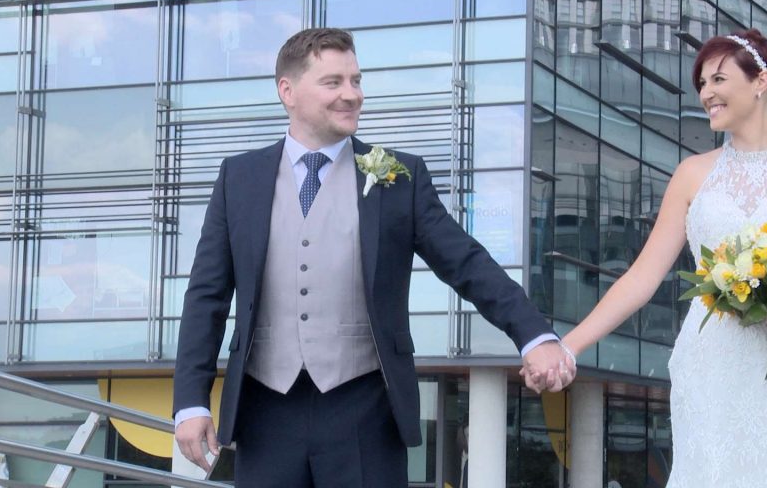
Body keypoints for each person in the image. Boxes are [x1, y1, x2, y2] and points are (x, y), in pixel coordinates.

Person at [172, 27, 574, 487]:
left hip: (365, 410)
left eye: (356, 81)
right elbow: (206, 296)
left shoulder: (399, 177)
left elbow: (466, 262)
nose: (352, 95)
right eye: (334, 82)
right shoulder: (237, 178)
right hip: (265, 412)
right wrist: (191, 400)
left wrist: (534, 335)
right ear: (287, 90)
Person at [558, 29, 767, 487]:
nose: (706, 93)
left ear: (761, 81)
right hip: (713, 368)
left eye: (718, 79)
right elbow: (641, 278)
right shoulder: (690, 175)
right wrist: (569, 345)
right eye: (701, 84)